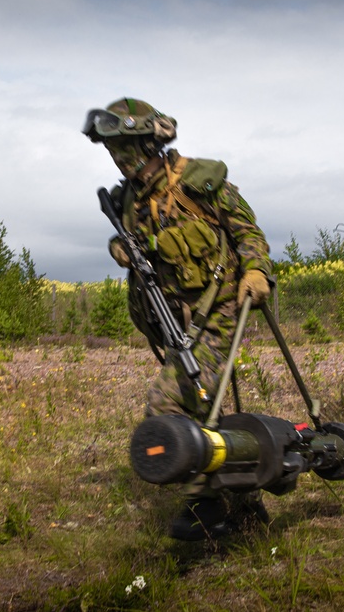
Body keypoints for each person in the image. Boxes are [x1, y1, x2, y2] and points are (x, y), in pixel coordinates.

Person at [83, 97, 273, 540]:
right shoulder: (129, 198)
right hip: (174, 320)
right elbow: (133, 240)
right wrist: (120, 247)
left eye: (125, 146)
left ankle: (204, 506)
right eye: (112, 148)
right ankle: (246, 503)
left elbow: (247, 231)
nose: (118, 156)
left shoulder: (198, 179)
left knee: (167, 404)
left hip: (221, 309)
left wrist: (258, 270)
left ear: (149, 141)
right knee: (205, 405)